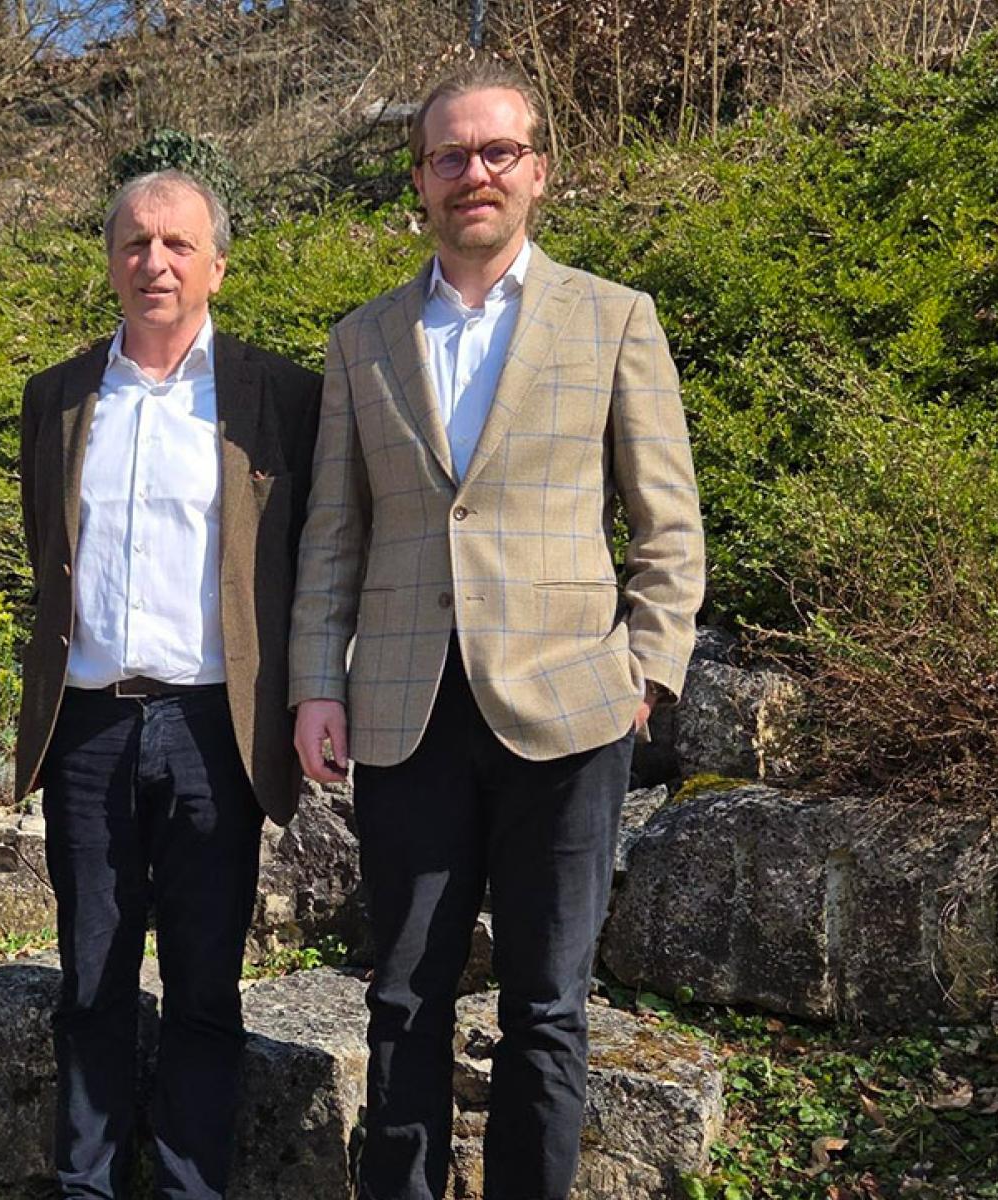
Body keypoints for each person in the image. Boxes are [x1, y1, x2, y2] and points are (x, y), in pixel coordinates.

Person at [287, 63, 705, 1200]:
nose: (473, 173)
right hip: (406, 714)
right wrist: (316, 683)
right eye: (448, 156)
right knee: (404, 996)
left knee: (548, 1004)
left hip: (571, 714)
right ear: (419, 179)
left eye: (496, 153)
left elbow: (669, 524)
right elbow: (333, 535)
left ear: (539, 171)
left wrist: (647, 676)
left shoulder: (614, 319)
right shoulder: (362, 340)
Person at [14, 169, 322, 1199]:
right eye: (136, 243)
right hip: (91, 728)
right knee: (91, 982)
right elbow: (46, 557)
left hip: (211, 730)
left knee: (204, 987)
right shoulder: (57, 398)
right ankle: (85, 1183)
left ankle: (194, 1187)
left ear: (218, 265)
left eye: (179, 245)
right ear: (110, 261)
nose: (156, 262)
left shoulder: (278, 396)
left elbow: (311, 560)